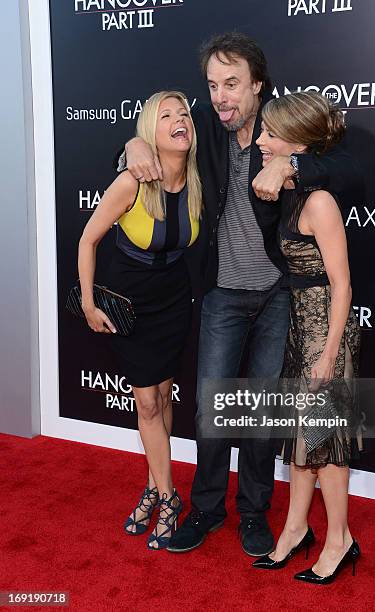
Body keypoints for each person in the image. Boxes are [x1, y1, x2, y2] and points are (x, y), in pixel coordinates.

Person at [122, 33, 362, 557]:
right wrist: (132, 145)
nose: (221, 96)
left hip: (278, 295)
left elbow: (348, 166)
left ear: (257, 84)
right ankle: (206, 509)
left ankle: (253, 512)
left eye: (232, 84)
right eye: (212, 85)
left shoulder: (281, 127)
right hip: (220, 294)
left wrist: (289, 165)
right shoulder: (204, 125)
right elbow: (153, 135)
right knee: (214, 411)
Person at [78, 91, 202, 550]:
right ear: (150, 133)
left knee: (162, 395)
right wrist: (90, 304)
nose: (179, 119)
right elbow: (88, 240)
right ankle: (169, 499)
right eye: (165, 115)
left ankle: (154, 485)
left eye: (184, 113)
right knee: (148, 403)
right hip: (129, 304)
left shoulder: (196, 178)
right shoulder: (131, 183)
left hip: (172, 300)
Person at [252, 92, 361, 583]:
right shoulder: (291, 193)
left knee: (325, 444)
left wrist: (330, 354)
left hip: (326, 335)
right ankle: (296, 529)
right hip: (301, 327)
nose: (260, 141)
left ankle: (340, 540)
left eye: (269, 134)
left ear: (295, 143)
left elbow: (342, 284)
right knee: (302, 440)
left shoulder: (318, 200)